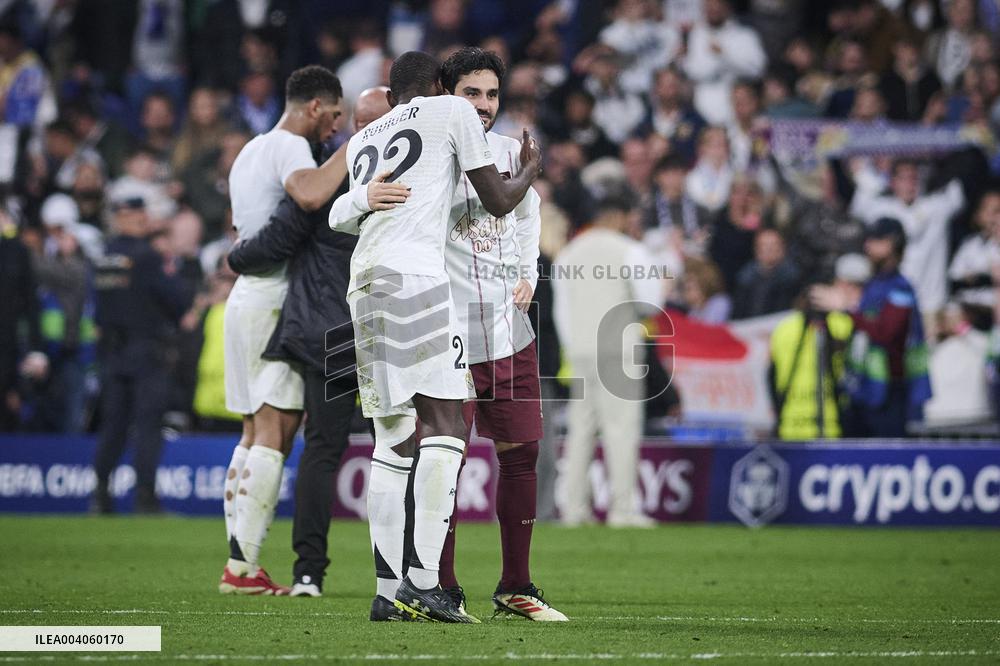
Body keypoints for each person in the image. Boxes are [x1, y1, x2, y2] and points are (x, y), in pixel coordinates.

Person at [328, 50, 541, 623]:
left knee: (393, 437)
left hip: (364, 283)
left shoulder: (369, 134)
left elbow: (340, 215)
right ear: (444, 87)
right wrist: (529, 171)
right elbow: (498, 200)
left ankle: (386, 589)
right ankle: (425, 584)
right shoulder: (451, 114)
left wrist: (354, 200)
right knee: (445, 425)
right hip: (418, 282)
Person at [227, 86, 405, 599]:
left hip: (326, 331)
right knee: (395, 450)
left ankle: (308, 575)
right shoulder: (420, 176)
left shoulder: (331, 177)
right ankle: (401, 576)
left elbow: (280, 237)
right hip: (388, 329)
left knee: (322, 450)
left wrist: (236, 258)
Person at [432, 46, 567, 621]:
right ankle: (438, 586)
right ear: (446, 92)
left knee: (522, 455)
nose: (484, 106)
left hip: (508, 332)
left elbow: (527, 216)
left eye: (491, 94)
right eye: (472, 93)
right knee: (443, 461)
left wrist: (528, 275)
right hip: (447, 333)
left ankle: (517, 586)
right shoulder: (430, 154)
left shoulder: (511, 150)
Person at [220, 65, 347, 596]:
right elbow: (311, 195)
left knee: (253, 433)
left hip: (245, 299)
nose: (336, 127)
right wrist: (358, 145)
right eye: (335, 115)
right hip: (276, 301)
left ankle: (240, 562)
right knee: (276, 430)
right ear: (314, 107)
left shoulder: (250, 150)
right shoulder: (292, 147)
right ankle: (241, 569)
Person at [552, 197, 663, 528]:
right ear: (617, 216)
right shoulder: (631, 250)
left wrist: (575, 348)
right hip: (619, 351)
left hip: (581, 353)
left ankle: (573, 510)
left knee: (580, 432)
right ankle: (623, 510)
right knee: (621, 430)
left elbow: (562, 312)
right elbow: (650, 305)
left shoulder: (569, 253)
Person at [90, 194, 192, 513]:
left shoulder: (106, 256)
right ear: (132, 218)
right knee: (148, 426)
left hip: (113, 351)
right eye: (139, 216)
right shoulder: (147, 256)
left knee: (114, 426)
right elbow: (175, 299)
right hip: (147, 350)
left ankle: (101, 495)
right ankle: (145, 497)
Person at [811, 218, 933, 438]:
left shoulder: (900, 288)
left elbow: (887, 334)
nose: (867, 245)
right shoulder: (871, 285)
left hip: (889, 395)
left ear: (892, 244)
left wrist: (847, 307)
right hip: (861, 392)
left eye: (875, 239)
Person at [769, 254, 865, 441]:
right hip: (830, 424)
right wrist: (843, 305)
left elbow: (770, 375)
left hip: (790, 423)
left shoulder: (782, 328)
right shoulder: (841, 323)